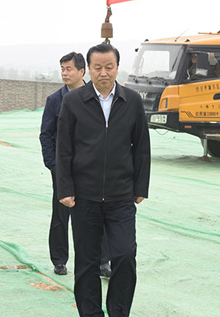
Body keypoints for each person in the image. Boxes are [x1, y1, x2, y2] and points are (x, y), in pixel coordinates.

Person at [56, 43, 150, 317]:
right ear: (88, 69)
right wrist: (65, 188)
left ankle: (119, 311)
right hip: (84, 196)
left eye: (109, 67)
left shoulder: (131, 101)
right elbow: (64, 149)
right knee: (87, 262)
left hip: (122, 196)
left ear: (118, 68)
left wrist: (140, 187)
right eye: (97, 67)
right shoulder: (73, 101)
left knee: (124, 255)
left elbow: (141, 147)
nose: (103, 72)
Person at [39, 52, 111, 277]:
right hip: (63, 169)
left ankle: (103, 261)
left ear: (82, 71)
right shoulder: (55, 100)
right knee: (61, 214)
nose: (64, 73)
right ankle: (59, 260)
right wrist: (53, 164)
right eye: (62, 69)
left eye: (68, 69)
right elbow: (46, 134)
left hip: (91, 168)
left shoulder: (97, 97)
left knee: (98, 213)